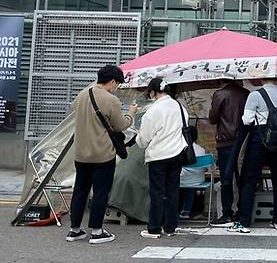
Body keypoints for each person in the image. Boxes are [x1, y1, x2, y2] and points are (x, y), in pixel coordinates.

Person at [67, 65, 137, 244]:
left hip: (81, 153)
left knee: (80, 191)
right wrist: (131, 114)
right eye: (117, 84)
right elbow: (121, 125)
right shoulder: (110, 99)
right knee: (100, 192)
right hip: (102, 154)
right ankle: (97, 232)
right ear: (113, 81)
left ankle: (75, 230)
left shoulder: (82, 95)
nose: (117, 88)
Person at [228, 78, 277, 234]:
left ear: (262, 78)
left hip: (259, 140)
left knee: (250, 180)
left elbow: (247, 120)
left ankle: (244, 222)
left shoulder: (255, 95)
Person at [136, 77, 188, 239]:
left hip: (159, 155)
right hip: (177, 153)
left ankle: (154, 228)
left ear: (153, 92)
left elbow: (144, 138)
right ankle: (170, 227)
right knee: (173, 190)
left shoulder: (154, 110)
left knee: (157, 192)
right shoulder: (180, 107)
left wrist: (138, 140)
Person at [208, 79, 249, 226]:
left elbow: (212, 118)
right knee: (241, 178)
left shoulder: (220, 94)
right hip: (243, 141)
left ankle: (227, 213)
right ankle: (241, 211)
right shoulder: (246, 94)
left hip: (225, 141)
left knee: (226, 178)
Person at [179, 126, 207, 219]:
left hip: (181, 180)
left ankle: (179, 210)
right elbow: (207, 168)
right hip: (198, 181)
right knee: (191, 185)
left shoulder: (180, 149)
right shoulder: (201, 150)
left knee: (182, 182)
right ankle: (187, 211)